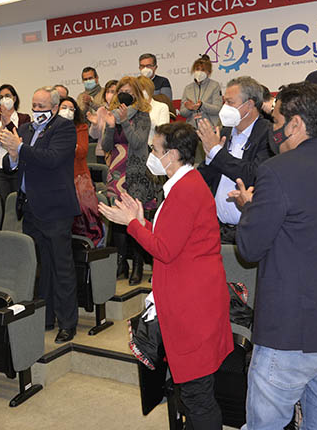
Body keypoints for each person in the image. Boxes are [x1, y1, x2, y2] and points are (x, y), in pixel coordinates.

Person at [231, 82, 317, 430]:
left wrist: (251, 209)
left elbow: (249, 249)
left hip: (291, 331)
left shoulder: (277, 171)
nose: (273, 128)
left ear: (295, 124)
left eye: (277, 119)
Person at [99, 122, 232, 430]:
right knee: (194, 393)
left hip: (192, 307)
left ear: (172, 155)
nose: (151, 155)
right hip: (191, 299)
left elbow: (165, 250)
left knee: (198, 397)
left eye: (155, 150)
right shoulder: (183, 184)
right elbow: (171, 240)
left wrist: (130, 223)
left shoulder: (185, 189)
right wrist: (141, 222)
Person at [0, 86, 81, 343]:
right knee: (41, 266)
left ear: (55, 108)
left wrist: (20, 149)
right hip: (31, 207)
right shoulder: (23, 129)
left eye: (42, 106)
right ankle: (47, 316)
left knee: (61, 266)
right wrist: (13, 155)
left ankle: (68, 322)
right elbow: (12, 164)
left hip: (56, 208)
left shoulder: (64, 128)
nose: (37, 111)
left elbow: (51, 159)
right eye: (34, 106)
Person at [196, 76, 274, 244]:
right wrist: (210, 156)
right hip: (219, 229)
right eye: (224, 102)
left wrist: (217, 152)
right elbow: (203, 178)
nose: (224, 108)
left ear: (250, 104)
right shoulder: (224, 132)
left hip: (251, 230)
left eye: (230, 102)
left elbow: (253, 175)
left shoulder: (268, 134)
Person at [101, 76, 159, 285]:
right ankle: (120, 263)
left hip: (136, 172)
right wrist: (109, 126)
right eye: (122, 91)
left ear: (136, 94)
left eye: (130, 91)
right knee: (117, 219)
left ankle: (137, 264)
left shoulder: (143, 115)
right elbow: (106, 146)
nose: (126, 94)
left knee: (135, 218)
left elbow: (137, 142)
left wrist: (124, 121)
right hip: (116, 171)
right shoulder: (112, 115)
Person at [60, 96, 104, 247]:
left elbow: (82, 151)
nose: (67, 112)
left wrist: (66, 142)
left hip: (78, 177)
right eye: (63, 108)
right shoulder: (51, 129)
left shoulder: (80, 127)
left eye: (71, 109)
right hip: (59, 178)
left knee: (83, 218)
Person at [0, 84, 30, 202]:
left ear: (14, 98)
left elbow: (20, 138)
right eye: (1, 97)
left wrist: (8, 122)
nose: (4, 99)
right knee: (2, 203)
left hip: (18, 167)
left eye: (7, 96)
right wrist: (1, 126)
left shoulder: (24, 118)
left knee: (18, 203)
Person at [180, 56, 223, 126]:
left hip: (210, 128)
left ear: (209, 72)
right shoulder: (188, 88)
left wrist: (202, 106)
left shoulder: (215, 86)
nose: (199, 72)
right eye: (197, 69)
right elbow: (182, 112)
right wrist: (190, 108)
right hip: (192, 130)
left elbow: (218, 109)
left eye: (203, 70)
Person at [87, 79, 118, 164]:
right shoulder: (101, 110)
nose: (110, 95)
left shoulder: (122, 111)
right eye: (107, 92)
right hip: (101, 154)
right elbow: (94, 135)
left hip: (118, 152)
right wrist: (95, 124)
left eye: (113, 92)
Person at [137, 76, 171, 142]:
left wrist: (146, 117)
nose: (140, 93)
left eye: (142, 89)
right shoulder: (133, 108)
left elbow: (163, 132)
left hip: (154, 146)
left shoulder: (162, 107)